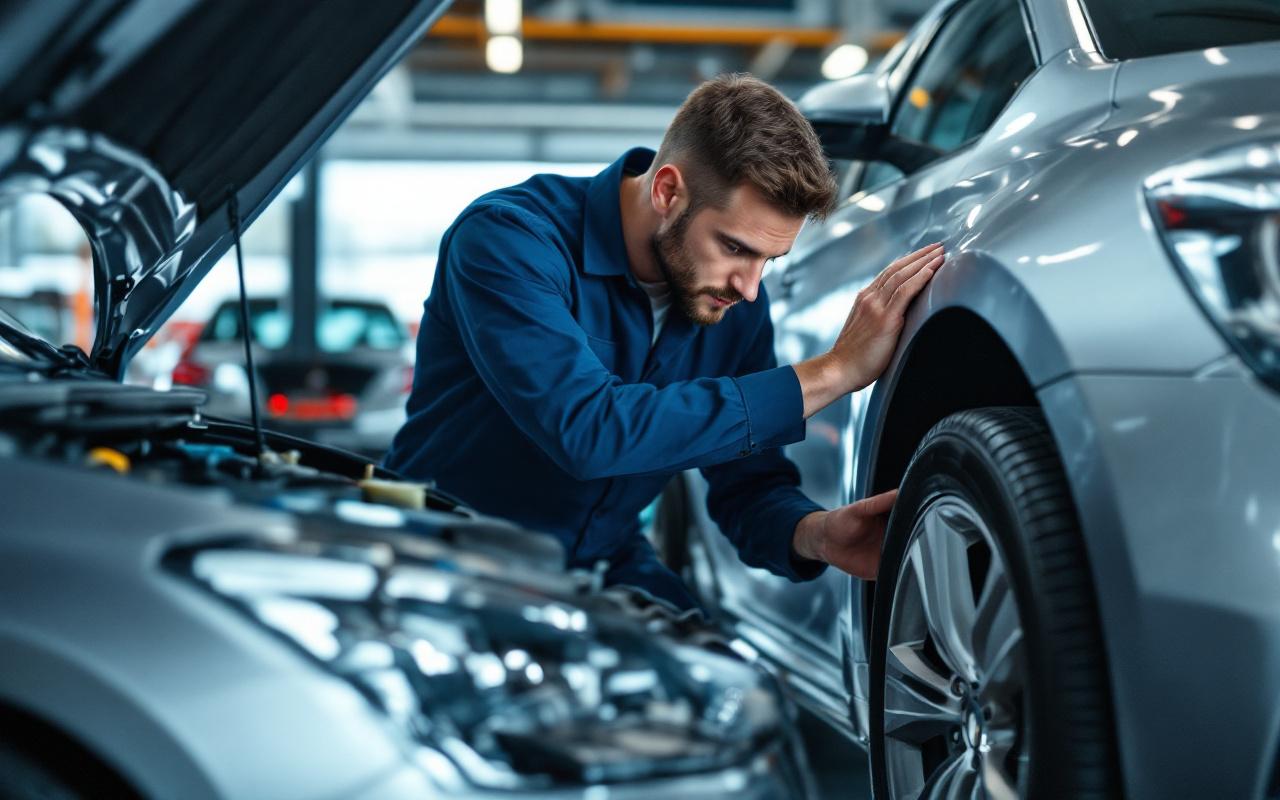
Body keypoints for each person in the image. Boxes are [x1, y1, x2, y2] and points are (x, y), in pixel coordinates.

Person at [384, 74, 944, 611]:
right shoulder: (508, 240)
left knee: (735, 698)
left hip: (599, 567)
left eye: (768, 261)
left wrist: (818, 533)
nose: (750, 288)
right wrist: (833, 372)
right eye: (735, 247)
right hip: (443, 557)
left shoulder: (732, 304)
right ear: (668, 190)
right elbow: (589, 430)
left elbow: (747, 485)